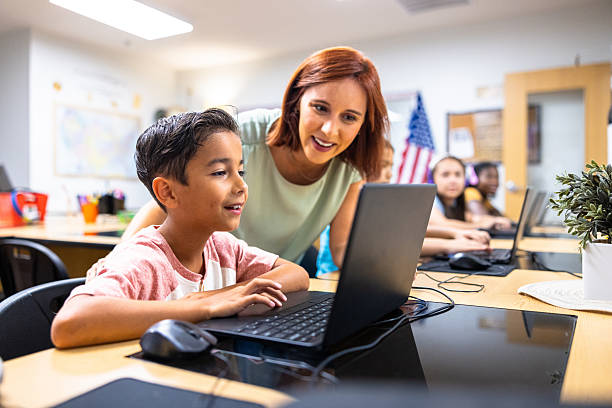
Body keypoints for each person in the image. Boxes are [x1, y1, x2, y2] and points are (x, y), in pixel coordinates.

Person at [51, 109, 309, 349]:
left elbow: (297, 275)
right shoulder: (145, 261)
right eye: (220, 172)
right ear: (168, 192)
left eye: (241, 170)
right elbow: (68, 325)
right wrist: (204, 307)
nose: (242, 186)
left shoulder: (222, 246)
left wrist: (219, 296)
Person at [122, 47, 388, 270]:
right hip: (209, 277)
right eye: (320, 108)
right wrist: (116, 265)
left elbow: (341, 249)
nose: (330, 130)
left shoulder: (350, 169)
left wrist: (384, 273)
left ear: (364, 124)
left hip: (272, 285)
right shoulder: (238, 135)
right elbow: (167, 203)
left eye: (350, 117)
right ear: (296, 100)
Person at [316, 141, 490, 277]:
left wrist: (453, 237)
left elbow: (402, 236)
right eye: (382, 165)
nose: (390, 173)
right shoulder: (347, 203)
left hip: (363, 275)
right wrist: (449, 244)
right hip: (332, 279)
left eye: (390, 166)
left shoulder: (378, 203)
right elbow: (391, 245)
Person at [428, 156, 512, 230]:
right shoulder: (428, 199)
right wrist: (480, 225)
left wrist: (494, 220)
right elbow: (442, 225)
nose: (453, 181)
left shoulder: (456, 201)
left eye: (458, 175)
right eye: (445, 175)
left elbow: (471, 217)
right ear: (432, 179)